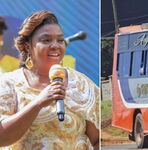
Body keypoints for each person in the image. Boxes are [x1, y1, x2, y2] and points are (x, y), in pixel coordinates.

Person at [0, 10, 99, 149]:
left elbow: (97, 141)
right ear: (28, 46)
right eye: (46, 40)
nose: (56, 45)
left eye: (60, 40)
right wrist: (38, 102)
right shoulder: (8, 84)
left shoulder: (82, 84)